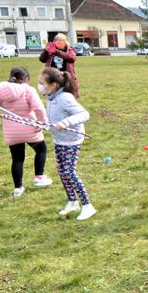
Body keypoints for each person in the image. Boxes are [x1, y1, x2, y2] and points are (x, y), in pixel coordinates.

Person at [0, 67, 53, 197]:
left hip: (12, 133)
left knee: (17, 159)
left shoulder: (0, 91)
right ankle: (39, 177)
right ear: (26, 79)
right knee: (41, 150)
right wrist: (42, 122)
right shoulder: (28, 90)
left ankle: (18, 188)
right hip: (29, 128)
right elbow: (39, 109)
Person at [40, 67, 95, 220]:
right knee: (62, 172)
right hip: (59, 139)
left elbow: (84, 114)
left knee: (69, 172)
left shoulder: (65, 97)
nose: (40, 86)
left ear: (53, 84)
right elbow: (52, 116)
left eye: (42, 83)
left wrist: (66, 122)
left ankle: (87, 205)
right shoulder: (50, 97)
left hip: (71, 140)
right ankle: (72, 201)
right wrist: (45, 124)